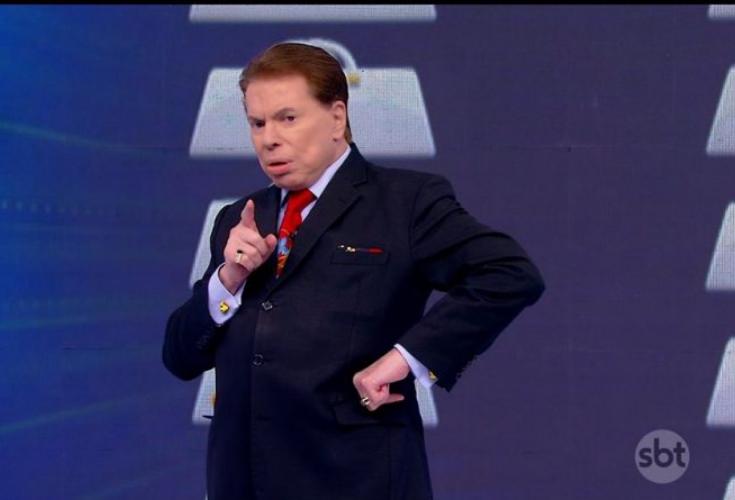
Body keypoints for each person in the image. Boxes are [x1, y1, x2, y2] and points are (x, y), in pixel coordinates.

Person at [163, 42, 545, 500]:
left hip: (356, 479)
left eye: (288, 118)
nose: (269, 139)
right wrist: (228, 281)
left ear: (337, 117)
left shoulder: (405, 202)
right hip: (243, 483)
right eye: (257, 123)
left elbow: (508, 273)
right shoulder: (239, 218)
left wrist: (406, 357)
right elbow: (180, 358)